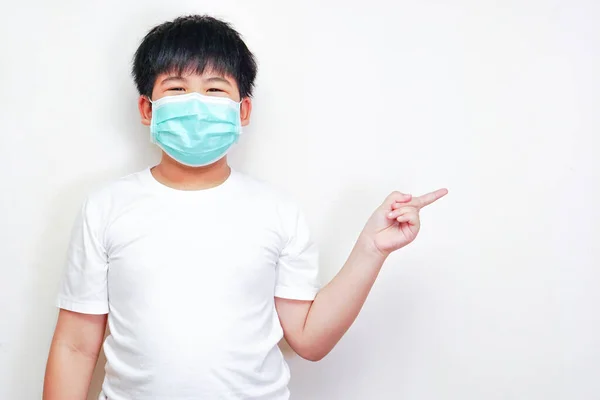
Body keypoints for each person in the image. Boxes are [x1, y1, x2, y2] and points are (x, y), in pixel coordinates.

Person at [43, 15, 447, 400]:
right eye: (178, 89)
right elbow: (76, 346)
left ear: (243, 110)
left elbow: (309, 338)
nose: (197, 103)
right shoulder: (105, 207)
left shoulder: (277, 212)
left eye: (216, 89)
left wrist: (370, 250)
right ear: (148, 109)